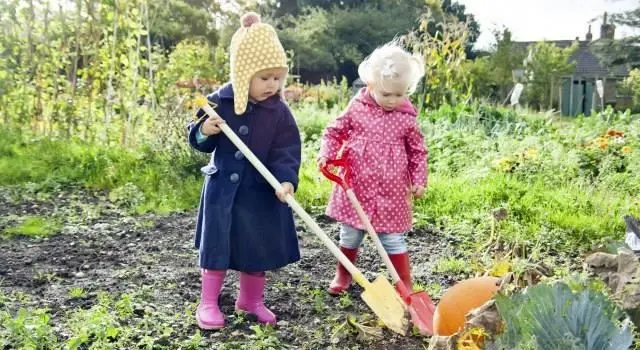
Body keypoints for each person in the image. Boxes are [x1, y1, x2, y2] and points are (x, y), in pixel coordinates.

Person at [187, 12, 301, 329]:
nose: (273, 85)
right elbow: (197, 139)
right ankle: (208, 302)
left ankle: (250, 300)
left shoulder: (279, 112)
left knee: (256, 247)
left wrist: (286, 180)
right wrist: (205, 131)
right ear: (243, 74)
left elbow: (286, 150)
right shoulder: (218, 104)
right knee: (217, 246)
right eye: (265, 78)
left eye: (278, 77)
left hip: (259, 193)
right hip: (223, 190)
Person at [317, 40, 428, 295]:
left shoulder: (407, 118)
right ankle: (344, 275)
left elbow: (418, 151)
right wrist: (327, 154)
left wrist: (419, 180)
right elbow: (334, 132)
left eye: (399, 95)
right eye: (386, 94)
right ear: (371, 86)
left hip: (391, 193)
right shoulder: (357, 108)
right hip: (356, 184)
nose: (393, 100)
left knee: (392, 238)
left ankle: (404, 284)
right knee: (351, 235)